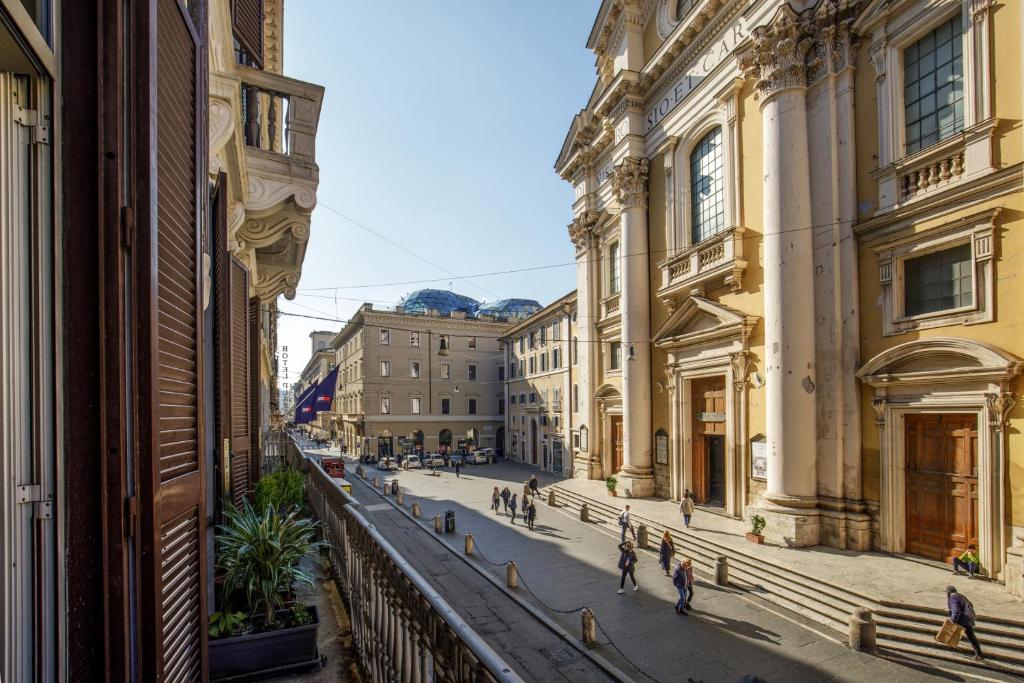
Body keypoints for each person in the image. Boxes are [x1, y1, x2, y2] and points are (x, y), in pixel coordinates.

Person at [946, 585, 983, 660]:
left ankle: (951, 646)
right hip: (967, 619)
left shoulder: (953, 598)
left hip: (962, 620)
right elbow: (971, 605)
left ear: (948, 593)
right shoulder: (961, 596)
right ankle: (979, 654)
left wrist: (953, 621)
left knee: (950, 632)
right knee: (971, 636)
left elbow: (956, 611)